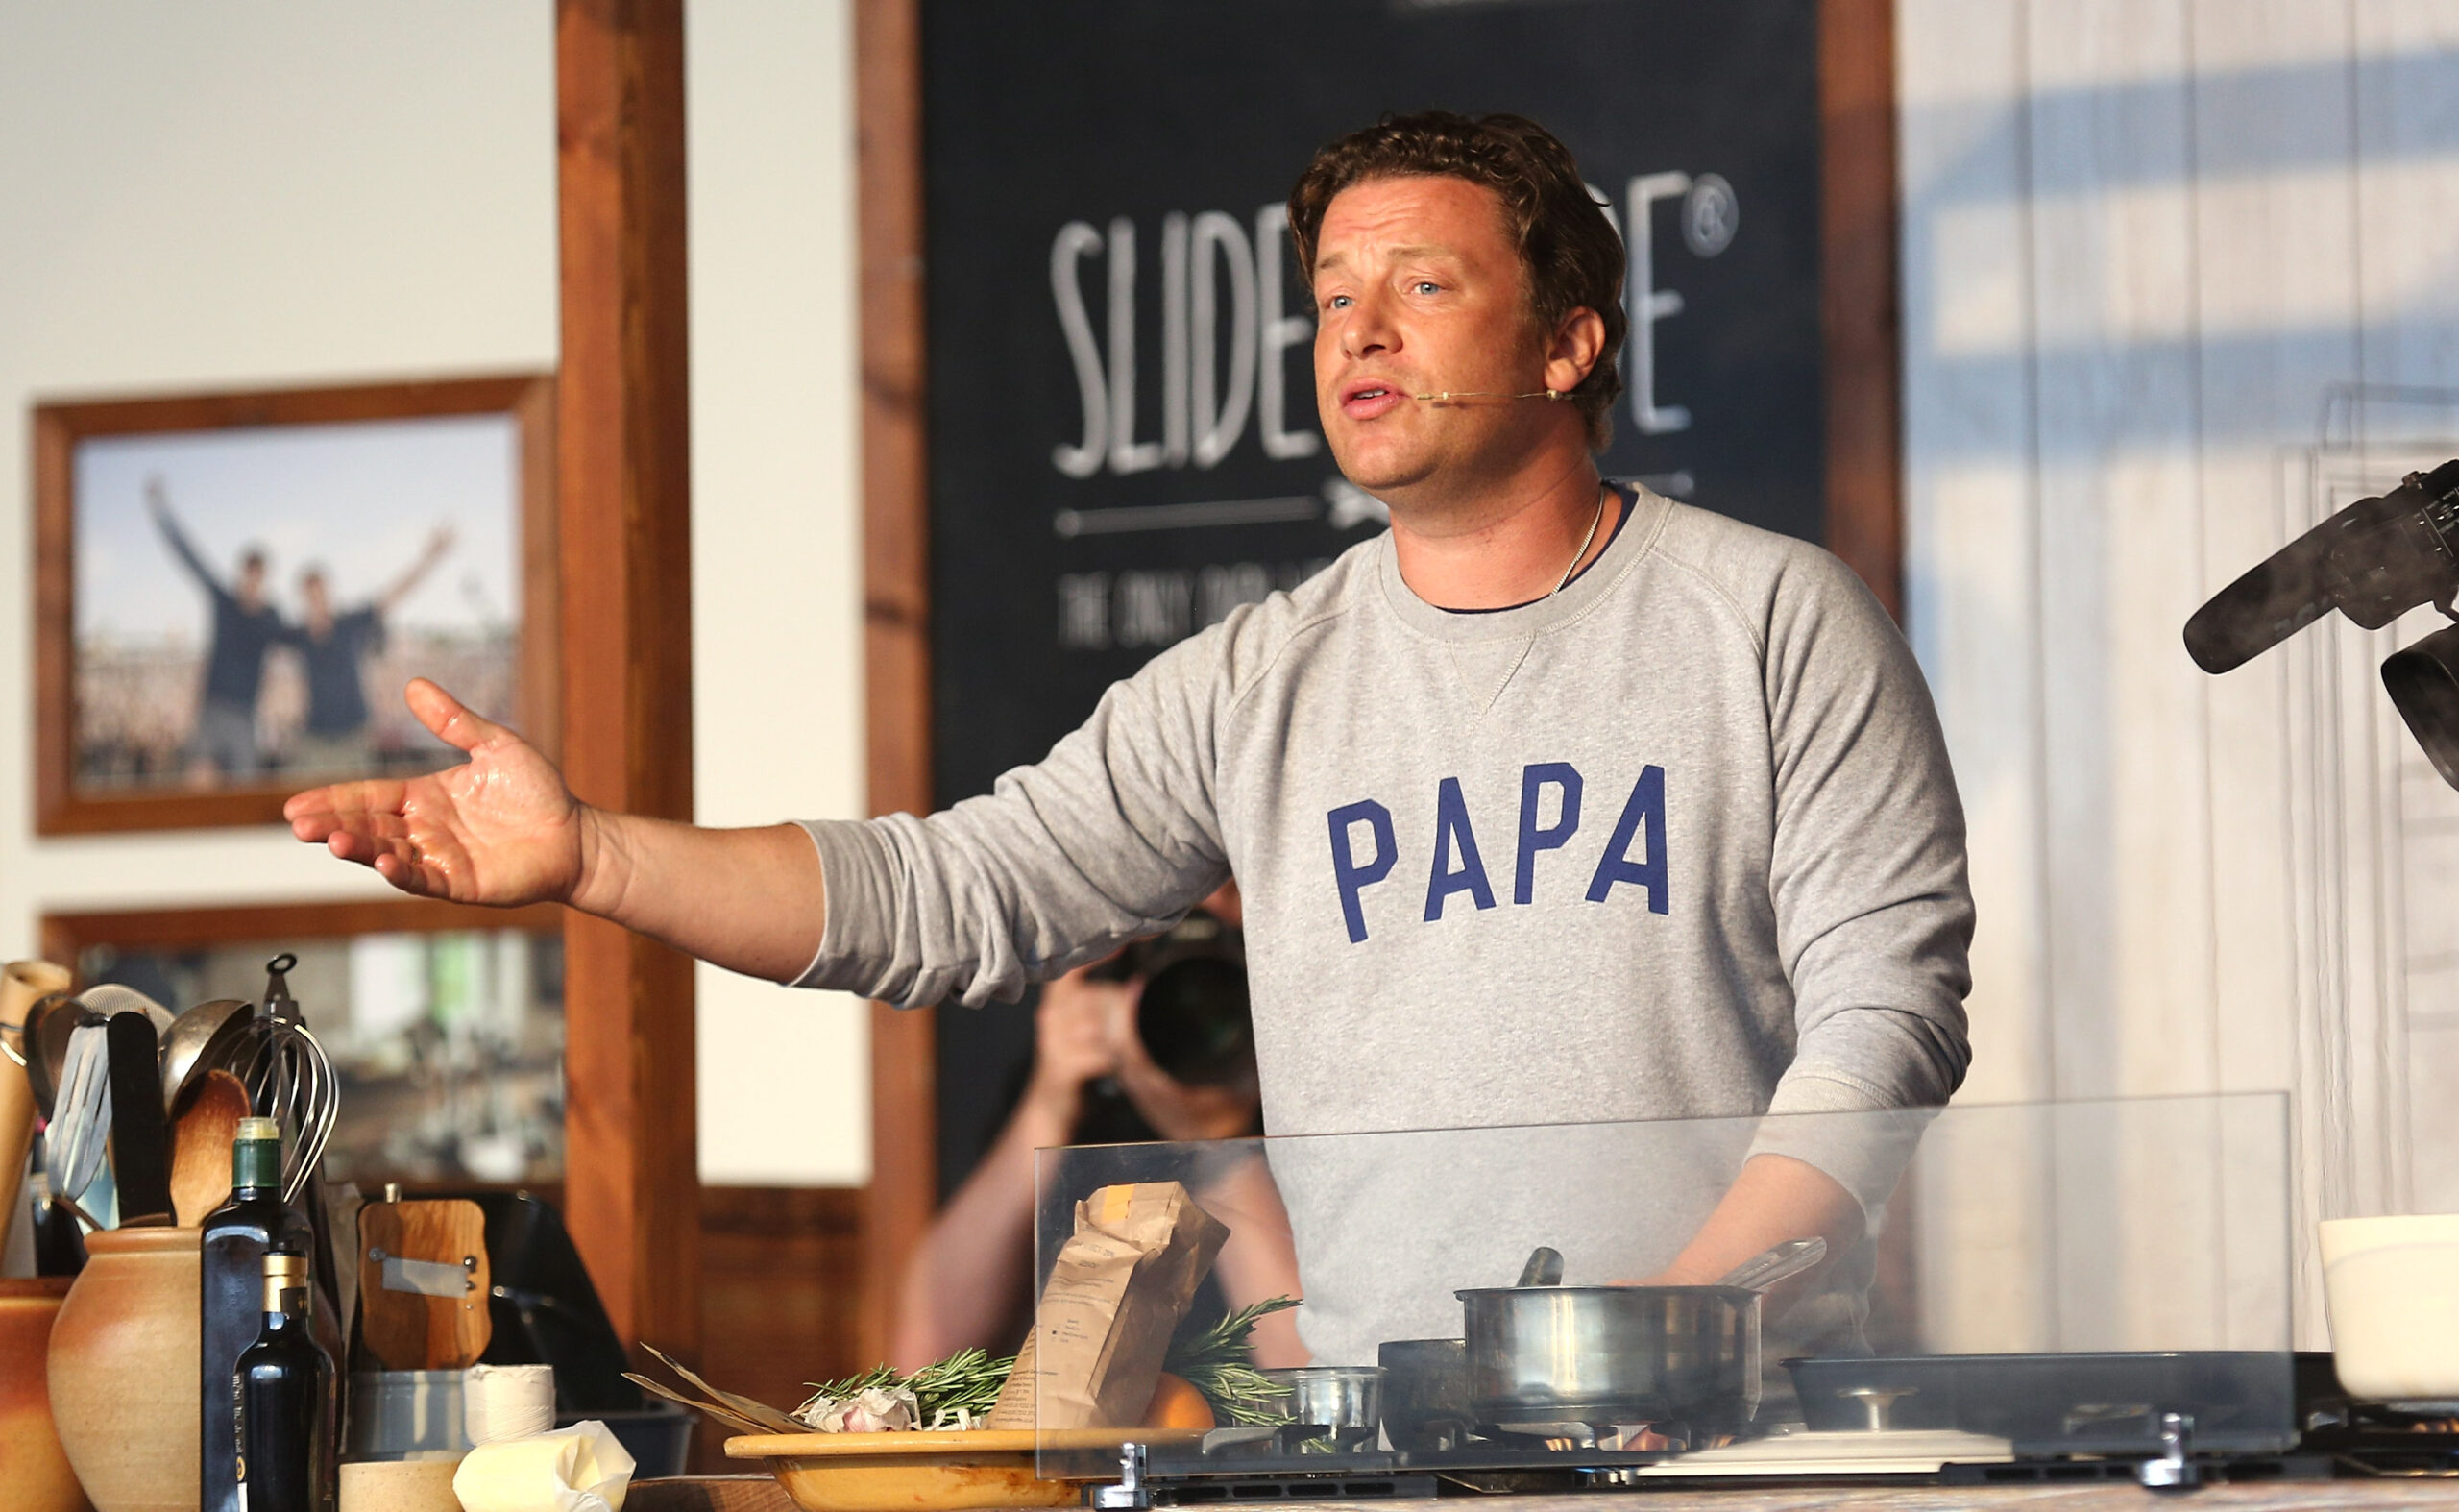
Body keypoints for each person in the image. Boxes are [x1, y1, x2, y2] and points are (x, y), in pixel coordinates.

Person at [286, 112, 1971, 1368]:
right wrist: (591, 853)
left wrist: (1664, 1325)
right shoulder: (1256, 678)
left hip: (1740, 1431)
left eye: (1423, 285)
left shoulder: (1768, 618)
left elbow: (1886, 1013)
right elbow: (952, 891)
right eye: (1332, 296)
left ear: (1569, 340)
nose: (1358, 331)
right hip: (1387, 1451)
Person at [889, 885, 1307, 1372]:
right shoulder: (1085, 1086)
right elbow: (922, 1360)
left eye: (1227, 884)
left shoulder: (1305, 1059)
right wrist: (1047, 1105)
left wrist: (1220, 1144)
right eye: (1178, 890)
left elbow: (1321, 1375)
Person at [283, 525, 456, 776]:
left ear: (328, 591)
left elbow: (393, 594)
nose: (316, 600)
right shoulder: (298, 636)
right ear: (303, 598)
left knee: (358, 808)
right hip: (315, 738)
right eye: (310, 595)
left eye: (320, 592)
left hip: (353, 735)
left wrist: (430, 557)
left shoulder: (350, 624)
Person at [148, 476, 285, 782]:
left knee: (244, 793)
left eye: (258, 576)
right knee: (198, 783)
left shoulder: (271, 618)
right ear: (242, 574)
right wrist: (162, 512)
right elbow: (190, 558)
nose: (252, 582)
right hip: (211, 709)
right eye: (248, 574)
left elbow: (298, 639)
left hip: (244, 716)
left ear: (264, 579)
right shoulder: (224, 602)